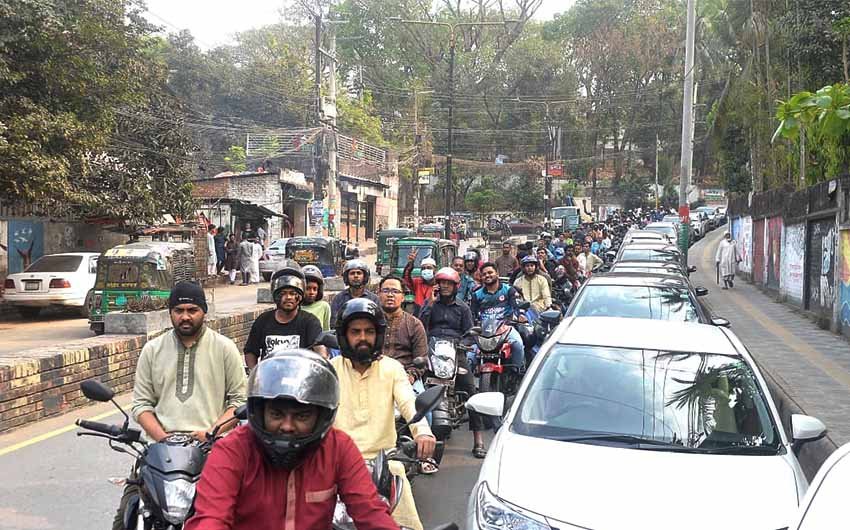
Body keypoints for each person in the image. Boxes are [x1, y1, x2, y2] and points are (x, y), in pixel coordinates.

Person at [183, 351, 398, 530]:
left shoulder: (339, 448)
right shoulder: (232, 450)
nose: (287, 426)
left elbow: (370, 512)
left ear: (321, 416)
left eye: (301, 416)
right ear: (260, 412)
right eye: (276, 414)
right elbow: (211, 518)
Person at [121, 282, 247, 530]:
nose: (185, 316)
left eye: (192, 310)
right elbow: (141, 404)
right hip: (159, 451)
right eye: (179, 310)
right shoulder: (152, 350)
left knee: (235, 514)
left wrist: (211, 432)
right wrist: (163, 438)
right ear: (170, 313)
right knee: (129, 512)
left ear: (204, 312)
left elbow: (239, 401)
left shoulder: (225, 348)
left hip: (211, 449)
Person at [331, 299, 436, 530]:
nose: (362, 337)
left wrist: (422, 432)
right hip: (336, 465)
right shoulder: (330, 369)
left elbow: (408, 402)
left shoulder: (392, 368)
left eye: (369, 332)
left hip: (384, 463)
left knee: (408, 523)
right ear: (344, 336)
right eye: (355, 332)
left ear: (378, 335)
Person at [417, 267, 489, 458]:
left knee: (471, 392)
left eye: (449, 283)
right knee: (418, 387)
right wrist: (430, 304)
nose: (445, 286)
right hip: (432, 351)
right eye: (442, 283)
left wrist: (463, 345)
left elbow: (470, 334)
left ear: (456, 286)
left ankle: (478, 439)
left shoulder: (463, 308)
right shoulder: (431, 304)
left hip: (456, 352)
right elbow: (420, 327)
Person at [244, 267, 324, 369]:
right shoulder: (263, 321)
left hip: (300, 376)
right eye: (283, 293)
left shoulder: (310, 322)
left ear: (299, 297)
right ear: (276, 296)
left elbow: (320, 349)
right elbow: (250, 351)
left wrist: (321, 362)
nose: (288, 297)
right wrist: (255, 372)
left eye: (292, 293)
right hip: (269, 376)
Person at [471, 262, 526, 373]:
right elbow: (472, 314)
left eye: (490, 272)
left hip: (506, 328)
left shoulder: (508, 290)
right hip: (484, 331)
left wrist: (520, 315)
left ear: (497, 273)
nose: (487, 275)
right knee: (470, 354)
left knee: (518, 344)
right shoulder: (477, 295)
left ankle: (517, 371)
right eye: (484, 274)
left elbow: (517, 306)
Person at [300, 265, 332, 331]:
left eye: (315, 289)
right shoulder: (295, 308)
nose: (311, 292)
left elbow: (326, 331)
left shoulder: (324, 306)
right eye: (307, 288)